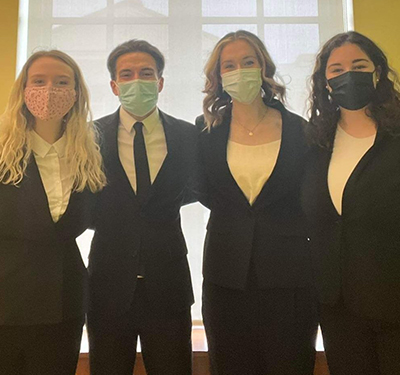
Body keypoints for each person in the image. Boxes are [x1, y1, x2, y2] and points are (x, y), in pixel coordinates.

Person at [195, 30, 317, 375]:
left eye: (248, 61)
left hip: (290, 279)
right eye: (229, 65)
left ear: (263, 67)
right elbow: (206, 192)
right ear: (218, 77)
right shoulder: (204, 134)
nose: (239, 70)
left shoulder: (301, 131)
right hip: (225, 279)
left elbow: (309, 198)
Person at [87, 39, 197, 375]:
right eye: (127, 74)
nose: (137, 80)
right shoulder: (87, 137)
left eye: (146, 73)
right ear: (114, 84)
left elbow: (196, 191)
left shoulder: (189, 136)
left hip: (169, 285)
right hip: (107, 286)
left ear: (160, 82)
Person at [0, 50, 106, 375]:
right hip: (6, 301)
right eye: (39, 81)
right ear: (23, 89)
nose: (50, 91)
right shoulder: (2, 152)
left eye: (62, 82)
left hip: (64, 303)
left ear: (76, 93)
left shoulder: (90, 154)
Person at [303, 31, 400, 375]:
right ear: (325, 82)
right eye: (336, 69)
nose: (348, 75)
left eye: (359, 65)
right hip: (338, 307)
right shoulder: (315, 142)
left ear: (377, 72)